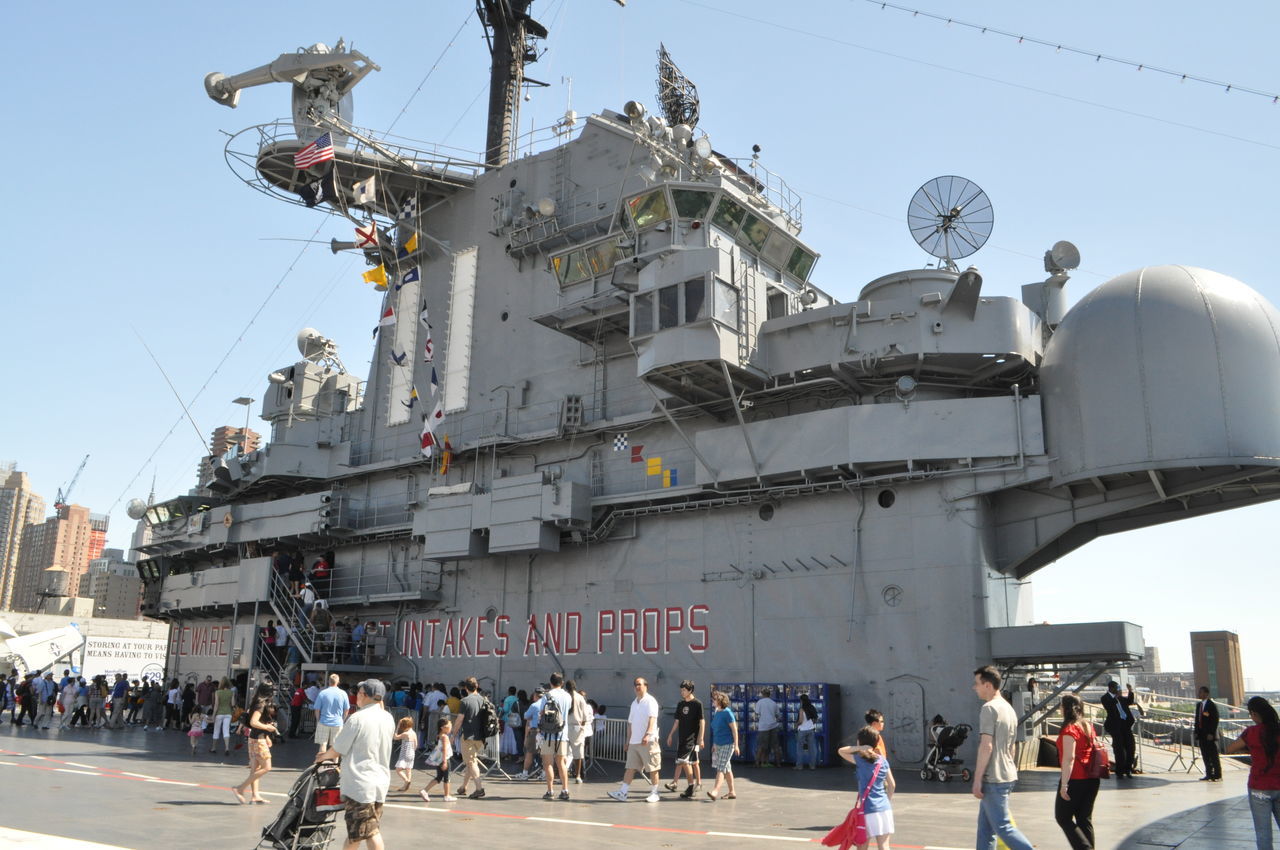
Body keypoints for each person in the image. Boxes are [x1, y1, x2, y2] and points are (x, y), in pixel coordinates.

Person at [317, 679, 395, 850]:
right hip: (379, 782)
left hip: (359, 784)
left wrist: (322, 757)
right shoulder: (388, 718)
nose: (356, 696)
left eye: (358, 693)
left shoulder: (357, 718)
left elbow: (337, 749)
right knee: (363, 832)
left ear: (364, 695)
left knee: (365, 833)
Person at [971, 665, 1035, 850]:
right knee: (985, 829)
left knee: (1003, 827)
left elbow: (986, 746)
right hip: (1007, 774)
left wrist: (977, 779)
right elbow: (1012, 746)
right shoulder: (1008, 708)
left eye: (977, 684)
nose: (974, 687)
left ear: (988, 685)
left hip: (994, 778)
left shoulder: (989, 709)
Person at [1226, 696, 1280, 850]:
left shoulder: (1251, 733)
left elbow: (1229, 749)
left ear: (1254, 714)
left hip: (1259, 788)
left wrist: (1252, 748)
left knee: (1263, 834)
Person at [830, 726, 896, 850]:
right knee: (884, 846)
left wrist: (860, 748)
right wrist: (887, 800)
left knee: (862, 845)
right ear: (876, 743)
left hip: (867, 810)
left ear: (859, 741)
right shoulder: (883, 761)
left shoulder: (859, 760)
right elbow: (892, 785)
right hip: (884, 809)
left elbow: (841, 751)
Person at [1054, 693, 1101, 850]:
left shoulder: (1069, 730)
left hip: (1076, 779)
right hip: (1092, 778)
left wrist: (1064, 785)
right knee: (1084, 819)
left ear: (1067, 709)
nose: (1060, 708)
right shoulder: (1087, 725)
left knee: (1063, 817)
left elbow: (1069, 758)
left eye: (1061, 705)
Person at [609, 676, 662, 803]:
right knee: (630, 767)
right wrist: (628, 741)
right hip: (634, 742)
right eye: (635, 685)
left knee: (652, 768)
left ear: (646, 686)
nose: (637, 687)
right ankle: (623, 792)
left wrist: (648, 734)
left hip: (648, 741)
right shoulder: (634, 703)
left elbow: (652, 718)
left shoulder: (650, 701)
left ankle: (655, 793)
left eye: (639, 684)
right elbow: (630, 723)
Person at [233, 683, 280, 804]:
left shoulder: (256, 702)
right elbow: (254, 722)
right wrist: (267, 728)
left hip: (253, 738)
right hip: (259, 740)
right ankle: (240, 788)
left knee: (255, 768)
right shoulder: (261, 704)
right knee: (267, 767)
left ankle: (255, 795)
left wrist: (266, 735)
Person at [665, 679, 705, 797]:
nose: (682, 692)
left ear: (690, 690)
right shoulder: (680, 704)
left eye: (684, 690)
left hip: (692, 739)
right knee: (683, 761)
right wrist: (671, 734)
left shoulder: (697, 704)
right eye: (681, 690)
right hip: (681, 738)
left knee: (689, 762)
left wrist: (701, 738)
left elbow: (702, 722)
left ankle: (693, 785)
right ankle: (678, 783)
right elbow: (677, 721)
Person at [539, 672, 572, 800]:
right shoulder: (567, 696)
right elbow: (567, 711)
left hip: (548, 734)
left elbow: (542, 712)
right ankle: (565, 790)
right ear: (562, 682)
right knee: (561, 762)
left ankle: (550, 790)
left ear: (551, 682)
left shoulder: (547, 695)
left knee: (548, 763)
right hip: (562, 733)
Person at [456, 676, 487, 800]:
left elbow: (459, 719)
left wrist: (453, 734)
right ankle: (463, 787)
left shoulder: (465, 701)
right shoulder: (483, 699)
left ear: (465, 688)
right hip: (481, 737)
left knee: (471, 762)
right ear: (477, 686)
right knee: (471, 761)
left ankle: (479, 788)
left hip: (468, 735)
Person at [706, 690, 739, 801]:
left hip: (728, 745)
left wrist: (737, 745)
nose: (713, 701)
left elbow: (734, 730)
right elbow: (716, 730)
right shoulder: (717, 712)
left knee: (720, 768)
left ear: (720, 701)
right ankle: (732, 792)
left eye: (714, 699)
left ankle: (715, 791)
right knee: (727, 768)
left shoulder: (727, 713)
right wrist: (714, 744)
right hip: (719, 744)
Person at [1100, 681, 1137, 778]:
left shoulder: (1120, 697)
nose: (1118, 690)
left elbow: (1129, 701)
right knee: (1119, 749)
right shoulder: (1105, 698)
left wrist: (1130, 691)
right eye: (1117, 688)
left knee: (1130, 747)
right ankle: (1120, 771)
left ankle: (1128, 769)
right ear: (1111, 688)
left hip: (1126, 726)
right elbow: (1110, 706)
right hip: (1115, 727)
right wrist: (1116, 696)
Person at [419, 716, 457, 803]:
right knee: (447, 778)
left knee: (439, 777)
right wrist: (444, 762)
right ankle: (447, 795)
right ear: (443, 728)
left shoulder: (440, 735)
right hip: (444, 759)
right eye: (449, 726)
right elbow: (444, 750)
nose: (450, 728)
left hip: (439, 760)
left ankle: (425, 790)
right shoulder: (444, 737)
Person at [314, 673, 350, 754]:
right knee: (335, 747)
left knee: (323, 745)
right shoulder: (343, 693)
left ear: (328, 682)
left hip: (323, 721)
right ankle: (335, 765)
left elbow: (317, 709)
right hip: (338, 722)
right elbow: (347, 709)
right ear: (338, 682)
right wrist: (342, 720)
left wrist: (318, 720)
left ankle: (320, 765)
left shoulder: (322, 693)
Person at [1194, 685, 1222, 782]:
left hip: (1210, 735)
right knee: (1205, 755)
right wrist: (1196, 732)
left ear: (1206, 693)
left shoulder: (1211, 705)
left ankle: (1217, 774)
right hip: (1202, 735)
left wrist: (1211, 733)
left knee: (1213, 755)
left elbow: (1215, 720)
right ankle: (1209, 774)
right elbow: (1197, 720)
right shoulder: (1199, 705)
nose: (1199, 694)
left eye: (1201, 692)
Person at [567, 682, 593, 784]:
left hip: (566, 726)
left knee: (565, 753)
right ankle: (578, 775)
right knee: (578, 753)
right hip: (577, 727)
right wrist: (582, 725)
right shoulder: (580, 698)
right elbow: (585, 716)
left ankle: (563, 773)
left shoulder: (566, 696)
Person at [518, 686, 544, 780]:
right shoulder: (547, 705)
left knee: (529, 752)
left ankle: (525, 773)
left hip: (535, 731)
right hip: (546, 732)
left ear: (535, 695)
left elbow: (526, 716)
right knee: (544, 754)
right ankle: (544, 773)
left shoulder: (534, 705)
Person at [754, 687, 782, 767]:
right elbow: (778, 715)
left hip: (763, 726)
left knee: (761, 746)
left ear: (763, 694)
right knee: (776, 746)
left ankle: (757, 763)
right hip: (773, 726)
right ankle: (778, 764)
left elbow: (756, 713)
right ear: (769, 695)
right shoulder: (773, 703)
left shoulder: (760, 702)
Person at [210, 677, 234, 755]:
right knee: (226, 731)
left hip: (219, 713)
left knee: (216, 731)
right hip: (228, 713)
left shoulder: (218, 692)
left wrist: (213, 715)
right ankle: (227, 748)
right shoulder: (231, 692)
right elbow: (233, 704)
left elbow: (216, 704)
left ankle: (213, 748)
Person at [794, 693, 819, 770]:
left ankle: (799, 766)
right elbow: (815, 718)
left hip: (802, 730)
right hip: (811, 729)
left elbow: (801, 720)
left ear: (801, 701)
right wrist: (811, 724)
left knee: (800, 748)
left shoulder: (802, 709)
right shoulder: (812, 707)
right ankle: (812, 765)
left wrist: (796, 725)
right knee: (812, 748)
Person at [393, 716, 418, 792]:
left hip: (405, 753)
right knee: (408, 769)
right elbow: (416, 744)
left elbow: (395, 737)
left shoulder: (406, 734)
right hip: (412, 753)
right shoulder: (413, 733)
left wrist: (397, 727)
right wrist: (413, 750)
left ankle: (407, 780)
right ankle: (406, 785)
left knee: (398, 769)